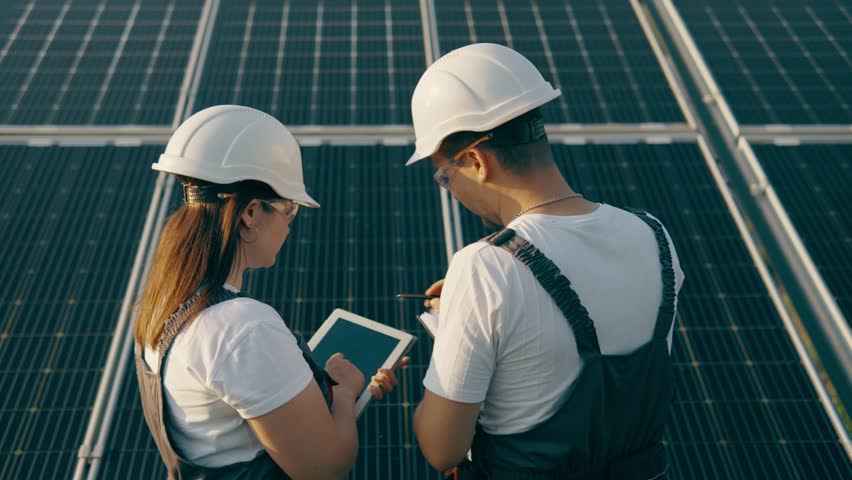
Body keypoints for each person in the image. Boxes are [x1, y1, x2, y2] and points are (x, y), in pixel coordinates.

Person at [406, 44, 685, 479]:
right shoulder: (653, 234)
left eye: (445, 177)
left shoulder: (484, 267)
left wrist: (457, 326)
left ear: (476, 162)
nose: (450, 190)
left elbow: (442, 449)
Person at [134, 105, 406, 480]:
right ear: (249, 214)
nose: (290, 225)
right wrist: (344, 393)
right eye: (289, 209)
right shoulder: (241, 327)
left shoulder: (163, 304)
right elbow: (326, 468)